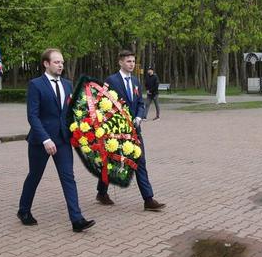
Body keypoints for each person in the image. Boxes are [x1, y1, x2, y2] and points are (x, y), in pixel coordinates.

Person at [18, 48, 94, 233]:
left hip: (62, 140)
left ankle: (77, 219)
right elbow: (33, 116)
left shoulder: (68, 85)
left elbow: (70, 112)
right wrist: (45, 139)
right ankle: (23, 210)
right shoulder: (36, 85)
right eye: (56, 62)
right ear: (46, 63)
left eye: (62, 62)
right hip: (40, 141)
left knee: (68, 177)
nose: (60, 65)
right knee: (34, 176)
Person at [96, 51, 166, 211]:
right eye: (128, 61)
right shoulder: (111, 80)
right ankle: (101, 192)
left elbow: (141, 103)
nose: (131, 64)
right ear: (120, 63)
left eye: (133, 61)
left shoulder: (136, 81)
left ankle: (148, 199)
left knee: (140, 162)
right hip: (117, 130)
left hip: (135, 129)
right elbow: (103, 103)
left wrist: (140, 117)